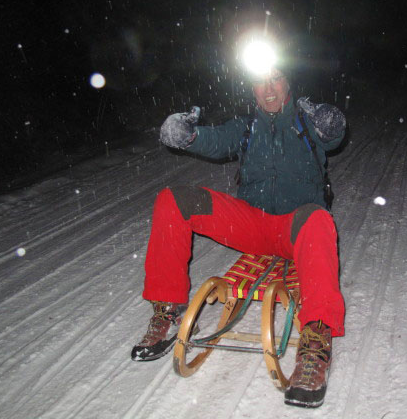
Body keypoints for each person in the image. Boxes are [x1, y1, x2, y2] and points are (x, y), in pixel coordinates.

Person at [130, 65, 347, 408]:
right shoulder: (246, 127)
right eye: (261, 81)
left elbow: (333, 136)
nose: (269, 88)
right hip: (251, 225)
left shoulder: (308, 123)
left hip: (296, 229)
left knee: (319, 219)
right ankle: (168, 309)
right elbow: (215, 140)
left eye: (276, 78)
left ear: (287, 82)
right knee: (174, 200)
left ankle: (315, 341)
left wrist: (331, 121)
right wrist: (186, 135)